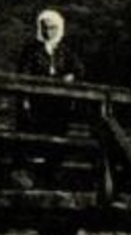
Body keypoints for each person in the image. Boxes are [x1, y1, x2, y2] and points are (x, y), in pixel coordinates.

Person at [14, 9, 85, 139]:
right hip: (37, 99)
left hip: (58, 101)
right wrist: (25, 99)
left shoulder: (64, 50)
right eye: (44, 28)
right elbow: (24, 72)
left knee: (57, 133)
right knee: (35, 133)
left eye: (52, 28)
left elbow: (79, 69)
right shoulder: (32, 50)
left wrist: (72, 75)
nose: (48, 32)